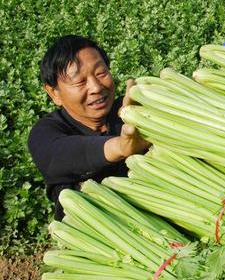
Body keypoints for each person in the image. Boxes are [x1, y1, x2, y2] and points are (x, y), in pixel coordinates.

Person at [28, 35, 149, 219]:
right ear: (54, 93)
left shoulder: (130, 111)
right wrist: (122, 146)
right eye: (79, 82)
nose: (95, 87)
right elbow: (65, 154)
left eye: (101, 73)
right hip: (98, 240)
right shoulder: (46, 133)